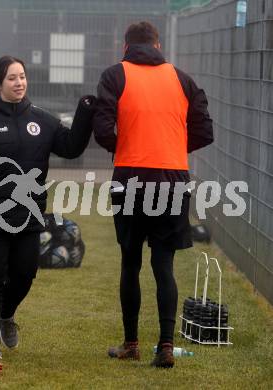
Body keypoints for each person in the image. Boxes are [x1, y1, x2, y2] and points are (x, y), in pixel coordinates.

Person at [0, 55, 96, 359]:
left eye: (22, 77)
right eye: (12, 78)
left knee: (25, 273)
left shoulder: (40, 120)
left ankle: (6, 316)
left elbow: (70, 148)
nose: (19, 83)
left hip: (27, 215)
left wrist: (85, 112)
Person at [93, 21, 213, 368]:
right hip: (173, 176)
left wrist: (125, 146)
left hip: (130, 174)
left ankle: (131, 343)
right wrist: (173, 146)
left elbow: (102, 129)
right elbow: (204, 130)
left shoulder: (115, 75)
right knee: (164, 264)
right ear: (158, 46)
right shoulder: (183, 79)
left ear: (125, 46)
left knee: (130, 262)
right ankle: (165, 345)